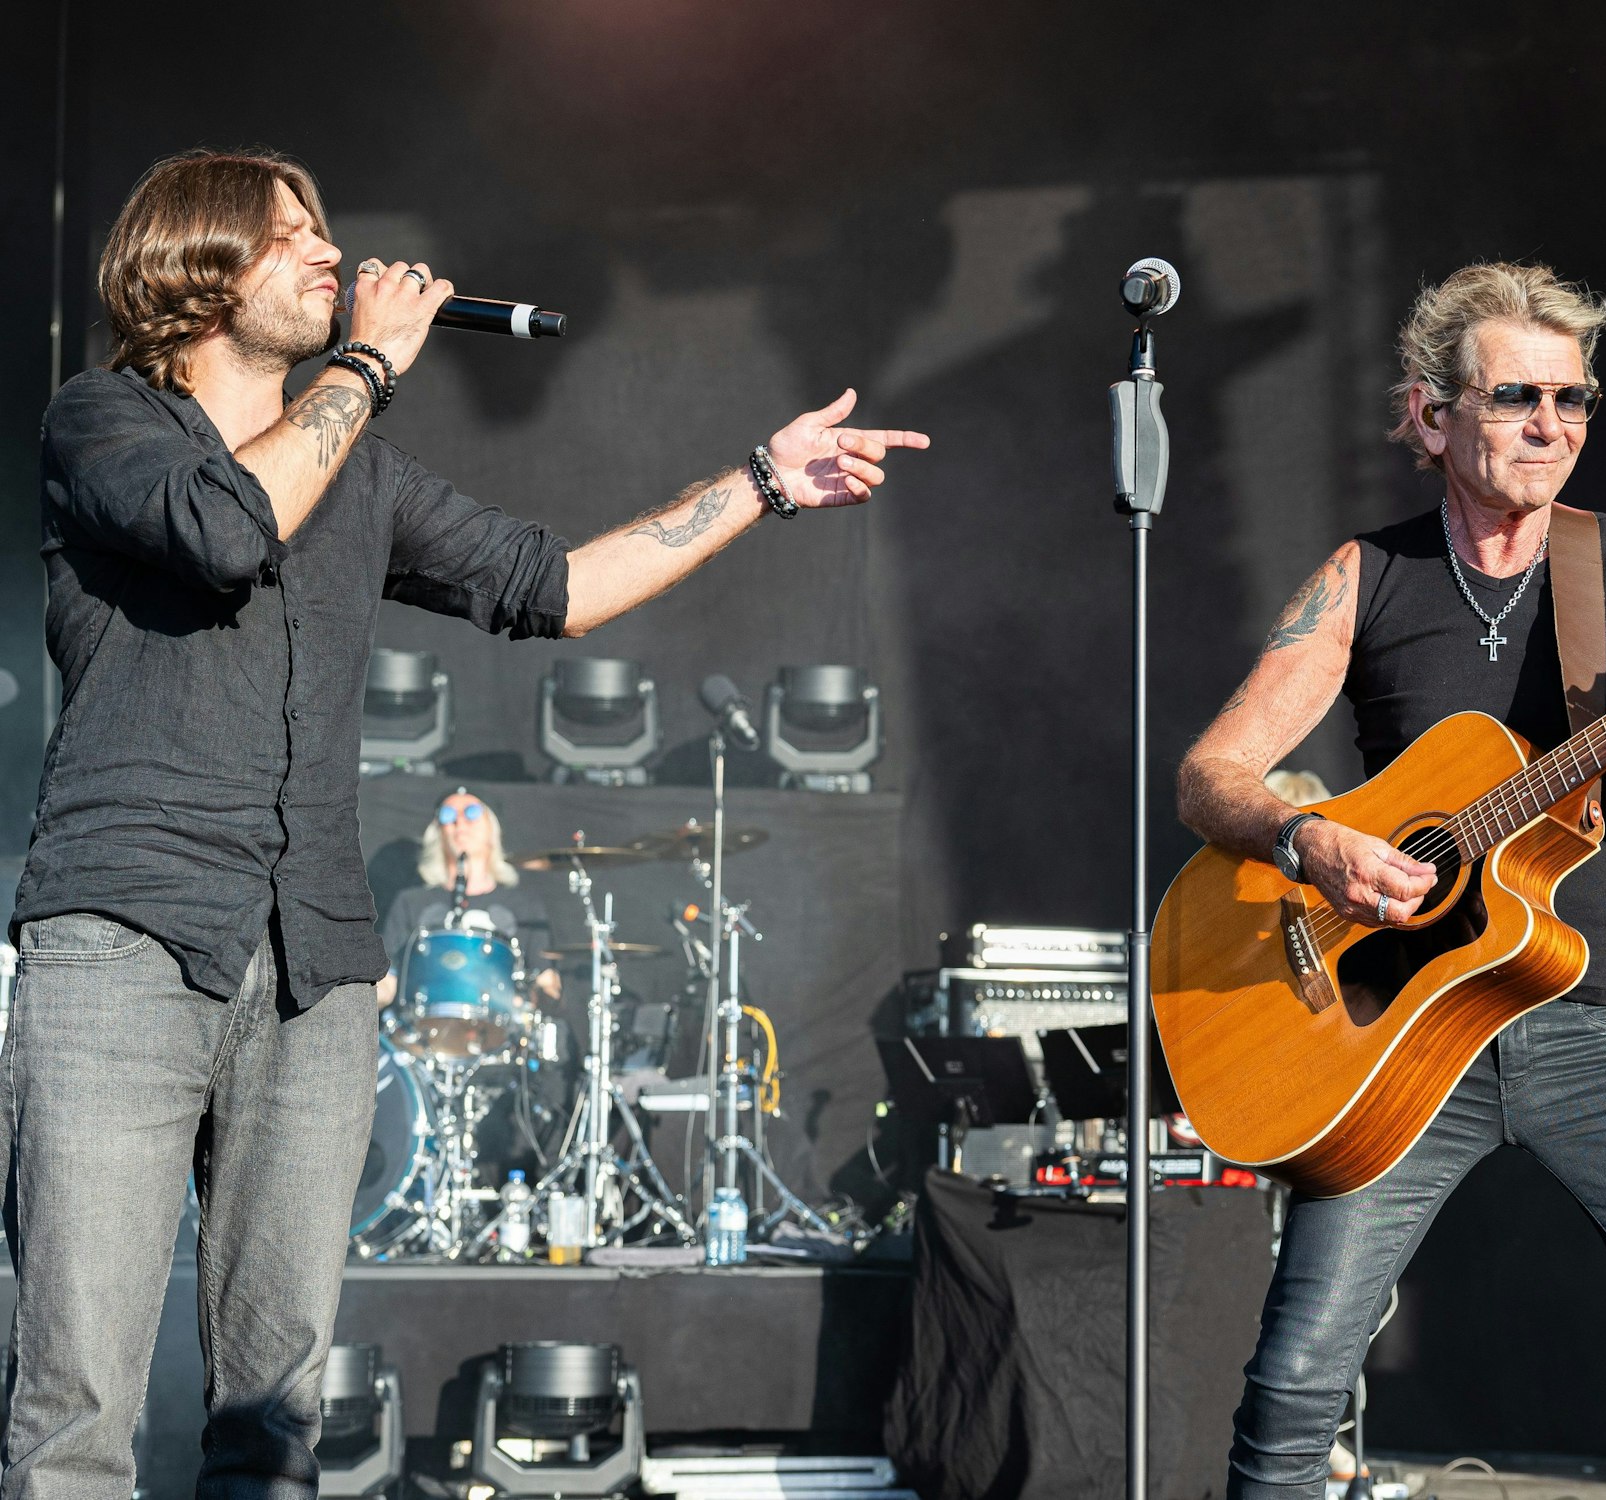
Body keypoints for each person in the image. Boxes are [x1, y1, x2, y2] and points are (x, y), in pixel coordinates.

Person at [2, 147, 927, 1498]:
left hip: (313, 959)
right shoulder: (104, 422)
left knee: (275, 1416)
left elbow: (559, 586)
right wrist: (366, 366)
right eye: (290, 234)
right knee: (78, 1402)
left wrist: (764, 484)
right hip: (123, 942)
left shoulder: (362, 477)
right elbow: (219, 528)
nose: (332, 255)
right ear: (191, 266)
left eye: (327, 231)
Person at [1177, 262, 1606, 1499]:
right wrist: (1308, 843)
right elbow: (1211, 776)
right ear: (1431, 418)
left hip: (1599, 1035)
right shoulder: (1359, 577)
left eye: (1573, 399)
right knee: (1287, 1396)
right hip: (1385, 1045)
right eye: (1515, 396)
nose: (1551, 425)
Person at [375, 788, 558, 1014]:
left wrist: (538, 998)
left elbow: (546, 981)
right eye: (448, 816)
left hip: (502, 1032)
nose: (460, 823)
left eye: (471, 813)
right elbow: (387, 982)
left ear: (492, 830)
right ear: (438, 833)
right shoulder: (410, 902)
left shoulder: (525, 907)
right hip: (421, 1034)